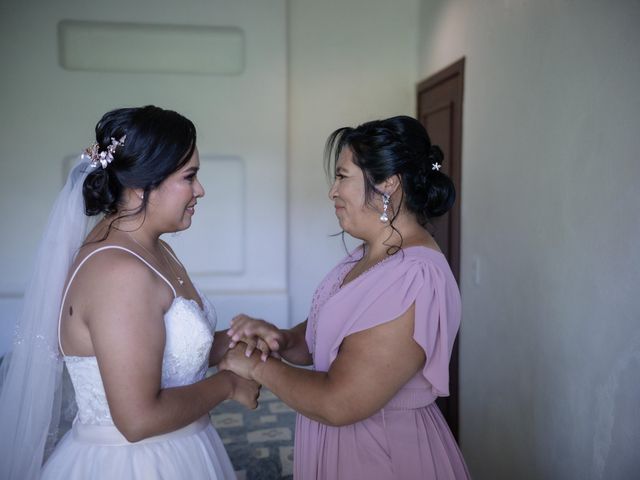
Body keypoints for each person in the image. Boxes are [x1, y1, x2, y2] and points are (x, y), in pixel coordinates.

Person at [0, 106, 259, 480]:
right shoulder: (118, 273)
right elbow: (138, 419)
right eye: (190, 176)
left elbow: (170, 353)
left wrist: (239, 342)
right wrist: (230, 383)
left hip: (182, 449)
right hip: (134, 464)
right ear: (141, 186)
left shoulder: (152, 249)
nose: (200, 190)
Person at [221, 116, 471, 479]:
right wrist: (281, 339)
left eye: (342, 176)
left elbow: (341, 402)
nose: (332, 191)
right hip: (345, 444)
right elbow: (340, 336)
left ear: (389, 183)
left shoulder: (414, 276)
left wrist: (256, 366)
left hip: (382, 454)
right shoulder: (367, 253)